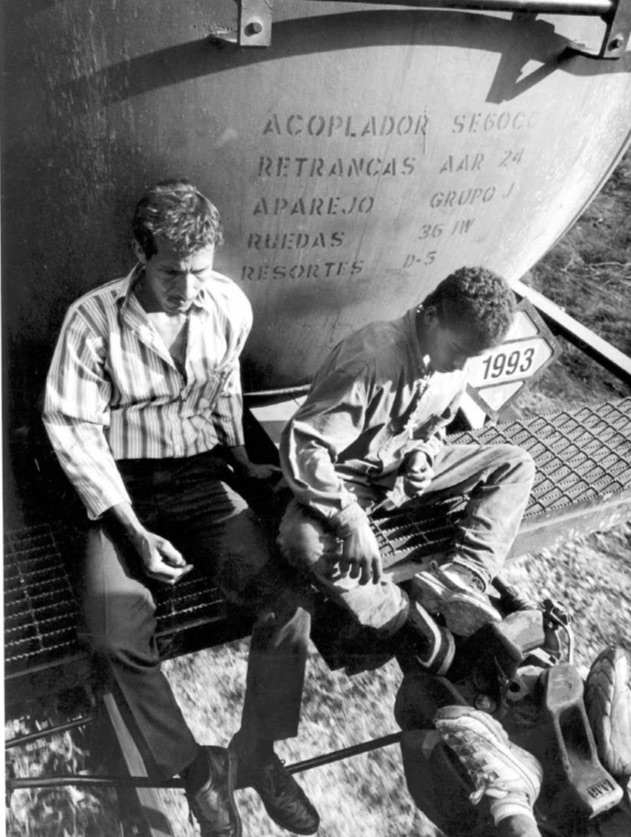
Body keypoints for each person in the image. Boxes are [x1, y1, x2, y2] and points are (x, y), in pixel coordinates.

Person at [42, 179, 319, 837]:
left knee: (286, 600)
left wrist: (241, 461)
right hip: (119, 489)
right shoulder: (91, 320)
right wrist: (132, 531)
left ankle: (258, 750)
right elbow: (72, 429)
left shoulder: (225, 305)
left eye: (199, 270)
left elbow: (223, 388)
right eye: (172, 273)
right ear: (139, 254)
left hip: (198, 479)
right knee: (114, 635)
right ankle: (197, 769)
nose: (188, 288)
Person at [277, 266, 536, 671]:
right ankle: (401, 619)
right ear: (430, 315)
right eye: (457, 351)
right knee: (302, 541)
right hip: (348, 475)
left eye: (471, 357)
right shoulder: (372, 360)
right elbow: (305, 445)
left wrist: (422, 456)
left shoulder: (452, 358)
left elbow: (436, 428)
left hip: (399, 469)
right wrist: (348, 521)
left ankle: (463, 579)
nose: (460, 364)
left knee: (515, 465)